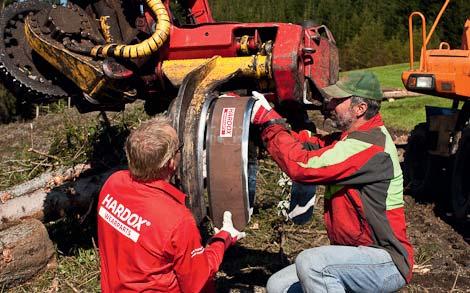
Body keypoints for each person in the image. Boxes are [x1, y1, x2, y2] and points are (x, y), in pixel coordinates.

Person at [251, 71, 414, 293]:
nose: (330, 104)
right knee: (278, 285)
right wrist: (276, 125)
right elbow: (308, 145)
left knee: (312, 264)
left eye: (338, 100)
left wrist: (270, 125)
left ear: (360, 109)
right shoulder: (349, 138)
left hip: (385, 260)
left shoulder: (369, 147)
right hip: (356, 253)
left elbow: (302, 166)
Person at [97, 115, 245, 292]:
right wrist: (223, 238)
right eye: (179, 148)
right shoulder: (177, 220)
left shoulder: (112, 184)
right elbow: (197, 282)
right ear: (171, 163)